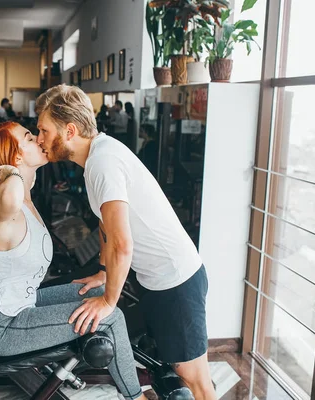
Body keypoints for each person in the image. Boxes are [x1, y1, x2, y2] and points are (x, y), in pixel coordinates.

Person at [35, 84, 216, 400]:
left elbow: (122, 243)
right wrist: (104, 271)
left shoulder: (103, 163)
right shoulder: (97, 157)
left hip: (177, 280)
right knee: (178, 371)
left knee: (195, 379)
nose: (39, 139)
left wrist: (107, 300)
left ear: (69, 131)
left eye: (43, 131)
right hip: (159, 281)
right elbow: (107, 229)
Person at [0, 121, 148, 400]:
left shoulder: (25, 199)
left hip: (23, 303)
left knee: (97, 293)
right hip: (4, 323)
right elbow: (9, 196)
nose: (38, 140)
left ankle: (125, 366)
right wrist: (15, 173)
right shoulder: (4, 200)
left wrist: (20, 174)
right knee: (110, 315)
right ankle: (135, 397)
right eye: (29, 138)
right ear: (16, 157)